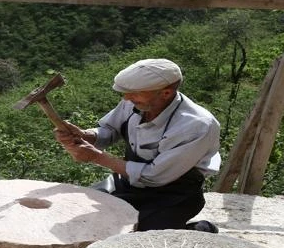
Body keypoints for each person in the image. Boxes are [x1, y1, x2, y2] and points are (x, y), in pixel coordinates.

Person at [56, 58, 220, 232]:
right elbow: (110, 129)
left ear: (166, 93)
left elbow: (154, 176)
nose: (126, 98)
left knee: (139, 242)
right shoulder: (135, 101)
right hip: (128, 183)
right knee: (80, 213)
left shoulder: (197, 126)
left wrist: (96, 157)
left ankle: (201, 230)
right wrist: (86, 135)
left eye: (134, 93)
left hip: (172, 194)